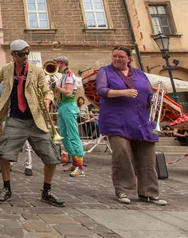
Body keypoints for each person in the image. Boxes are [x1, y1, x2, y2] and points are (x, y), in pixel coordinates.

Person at [0, 39, 64, 207]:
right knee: (4, 154)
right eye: (22, 54)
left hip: (35, 119)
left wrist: (47, 100)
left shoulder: (37, 71)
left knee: (51, 157)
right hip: (15, 119)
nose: (25, 57)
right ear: (13, 55)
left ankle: (47, 190)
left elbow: (47, 90)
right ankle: (7, 188)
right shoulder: (7, 69)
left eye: (27, 53)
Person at [96, 46, 167, 206]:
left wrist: (157, 100)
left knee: (147, 158)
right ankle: (123, 189)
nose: (116, 59)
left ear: (129, 58)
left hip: (142, 120)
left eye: (120, 56)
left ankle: (149, 192)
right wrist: (123, 92)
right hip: (117, 120)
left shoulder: (140, 74)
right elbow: (101, 90)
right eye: (114, 56)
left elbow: (149, 93)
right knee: (122, 154)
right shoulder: (105, 71)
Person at [52, 56, 84, 177]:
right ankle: (74, 163)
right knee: (64, 137)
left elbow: (69, 92)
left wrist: (57, 88)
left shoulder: (69, 76)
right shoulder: (64, 77)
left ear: (61, 63)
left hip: (69, 106)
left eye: (56, 64)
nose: (55, 66)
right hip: (62, 106)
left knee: (73, 136)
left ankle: (80, 167)